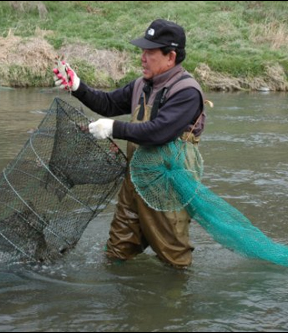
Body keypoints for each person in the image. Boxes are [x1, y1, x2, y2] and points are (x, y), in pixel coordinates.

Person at [53, 19, 206, 269]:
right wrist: (77, 86)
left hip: (166, 192)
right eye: (142, 51)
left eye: (150, 52)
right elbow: (107, 104)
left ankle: (173, 304)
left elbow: (158, 132)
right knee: (116, 252)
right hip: (134, 184)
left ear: (171, 57)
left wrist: (114, 128)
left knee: (174, 261)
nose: (142, 58)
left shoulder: (187, 92)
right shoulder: (142, 85)